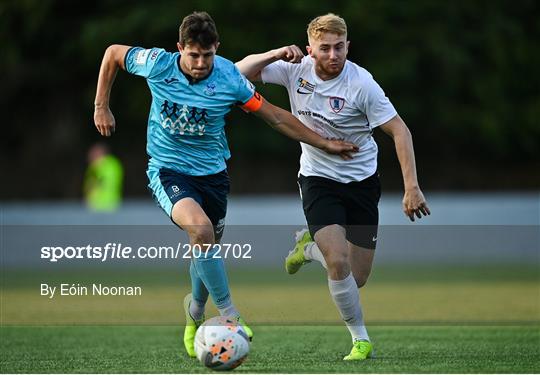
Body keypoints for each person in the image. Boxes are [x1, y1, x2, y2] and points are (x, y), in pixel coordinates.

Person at [93, 11, 358, 358]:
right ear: (179, 49)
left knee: (206, 246)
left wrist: (324, 143)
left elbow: (275, 116)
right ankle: (231, 315)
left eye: (207, 55)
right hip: (168, 170)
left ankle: (194, 313)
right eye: (193, 55)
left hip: (213, 177)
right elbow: (113, 52)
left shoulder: (230, 79)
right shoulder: (158, 64)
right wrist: (101, 106)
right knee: (201, 230)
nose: (201, 63)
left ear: (216, 49)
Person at [236, 13, 430, 360]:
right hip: (317, 179)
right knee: (338, 261)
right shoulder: (295, 69)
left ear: (347, 46)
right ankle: (361, 340)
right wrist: (274, 54)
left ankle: (309, 249)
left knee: (357, 278)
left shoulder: (362, 84)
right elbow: (235, 73)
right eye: (324, 48)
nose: (332, 55)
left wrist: (411, 187)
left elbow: (400, 131)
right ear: (310, 49)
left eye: (339, 47)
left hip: (362, 183)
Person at [83, 142, 123, 212]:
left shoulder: (111, 166)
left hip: (108, 206)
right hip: (95, 207)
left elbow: (98, 184)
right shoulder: (92, 168)